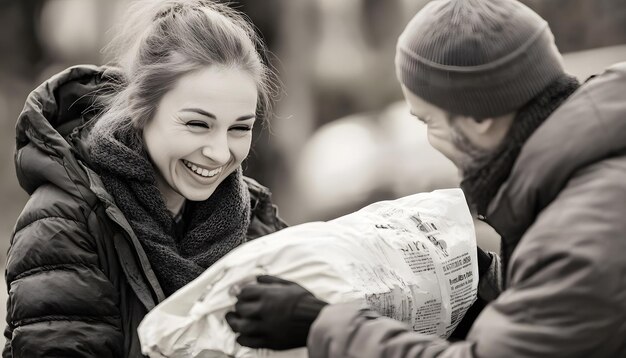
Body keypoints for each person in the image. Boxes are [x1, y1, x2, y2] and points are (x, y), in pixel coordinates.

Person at [226, 0, 626, 356]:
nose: (430, 142)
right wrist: (484, 278)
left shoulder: (582, 230)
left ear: (480, 118)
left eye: (428, 122)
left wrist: (319, 323)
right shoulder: (592, 181)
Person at [4, 0, 287, 357]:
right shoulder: (65, 223)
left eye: (239, 128)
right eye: (197, 124)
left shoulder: (256, 229)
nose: (218, 152)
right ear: (141, 110)